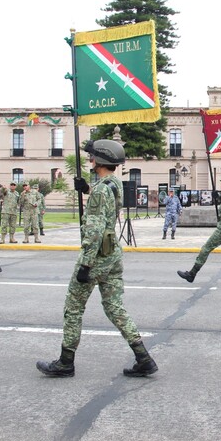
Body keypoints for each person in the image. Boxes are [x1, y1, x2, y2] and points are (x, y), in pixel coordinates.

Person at [36, 139, 157, 378]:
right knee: (114, 308)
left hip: (96, 256)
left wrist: (85, 264)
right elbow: (106, 200)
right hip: (112, 254)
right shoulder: (113, 184)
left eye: (92, 156)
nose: (89, 160)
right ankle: (144, 358)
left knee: (73, 308)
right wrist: (87, 190)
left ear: (100, 159)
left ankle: (65, 361)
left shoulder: (102, 189)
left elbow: (94, 230)